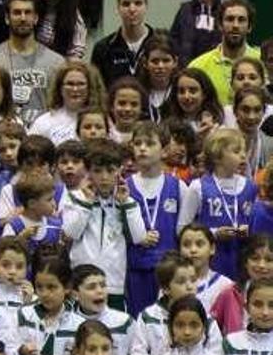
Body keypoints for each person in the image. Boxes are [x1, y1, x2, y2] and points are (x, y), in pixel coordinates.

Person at [61, 138, 147, 310]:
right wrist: (87, 203)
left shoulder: (127, 201)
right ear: (88, 172)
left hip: (113, 282)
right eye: (98, 171)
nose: (105, 177)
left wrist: (125, 204)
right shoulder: (74, 197)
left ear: (119, 170)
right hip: (81, 281)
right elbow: (70, 234)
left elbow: (139, 237)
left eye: (110, 170)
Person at [0, 0, 65, 125]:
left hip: (43, 136)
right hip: (2, 135)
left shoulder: (56, 62)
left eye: (28, 12)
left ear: (36, 18)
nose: (23, 18)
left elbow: (61, 106)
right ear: (7, 18)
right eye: (17, 13)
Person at [126, 121, 192, 316]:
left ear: (164, 150)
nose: (142, 148)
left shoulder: (178, 187)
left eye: (149, 143)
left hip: (169, 271)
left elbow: (185, 230)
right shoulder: (124, 187)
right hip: (136, 268)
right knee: (139, 320)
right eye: (137, 144)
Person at [131, 251, 224, 355]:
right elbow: (139, 353)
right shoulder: (148, 317)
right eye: (181, 282)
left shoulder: (207, 320)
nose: (190, 286)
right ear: (165, 288)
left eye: (193, 279)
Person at [185, 128, 258, 280]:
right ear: (218, 157)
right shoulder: (198, 186)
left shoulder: (251, 187)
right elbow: (182, 228)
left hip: (242, 264)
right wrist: (213, 234)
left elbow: (256, 224)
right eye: (236, 151)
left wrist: (249, 230)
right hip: (209, 264)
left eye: (244, 150)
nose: (243, 155)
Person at [190, 0, 261, 107]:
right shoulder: (198, 66)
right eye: (230, 19)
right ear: (219, 25)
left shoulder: (262, 62)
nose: (235, 25)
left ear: (249, 27)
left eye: (241, 20)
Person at [91, 0, 154, 87]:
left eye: (138, 3)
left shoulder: (160, 45)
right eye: (126, 4)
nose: (132, 9)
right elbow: (96, 91)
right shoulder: (103, 48)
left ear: (146, 6)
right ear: (118, 8)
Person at [29, 61, 104, 145]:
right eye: (70, 84)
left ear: (90, 87)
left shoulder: (103, 121)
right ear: (60, 88)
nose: (75, 89)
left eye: (81, 84)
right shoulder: (44, 122)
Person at [70, 265, 135, 355]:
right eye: (91, 287)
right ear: (75, 295)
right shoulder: (68, 324)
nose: (100, 291)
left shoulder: (124, 322)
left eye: (103, 285)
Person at [170, 0, 223, 65]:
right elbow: (174, 36)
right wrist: (180, 55)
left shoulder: (223, 11)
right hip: (187, 64)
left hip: (214, 64)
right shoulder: (185, 9)